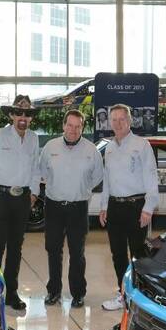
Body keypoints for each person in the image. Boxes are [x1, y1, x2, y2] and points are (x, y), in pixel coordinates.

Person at [0, 95, 41, 311]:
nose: (23, 117)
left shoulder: (33, 139)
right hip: (1, 198)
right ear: (12, 115)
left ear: (31, 118)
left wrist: (34, 193)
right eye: (19, 113)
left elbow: (35, 168)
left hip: (22, 199)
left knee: (16, 248)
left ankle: (11, 293)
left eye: (27, 114)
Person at [39, 109, 103, 309]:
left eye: (78, 126)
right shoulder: (50, 147)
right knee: (53, 250)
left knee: (77, 253)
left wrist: (81, 189)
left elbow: (97, 176)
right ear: (63, 125)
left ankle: (78, 293)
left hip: (78, 208)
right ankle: (54, 291)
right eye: (70, 125)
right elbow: (43, 172)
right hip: (54, 206)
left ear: (82, 127)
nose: (73, 130)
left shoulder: (91, 150)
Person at [99, 104, 159, 311]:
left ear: (130, 120)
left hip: (137, 207)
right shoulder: (109, 148)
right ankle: (123, 293)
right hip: (114, 207)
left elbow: (151, 177)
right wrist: (103, 206)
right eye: (113, 120)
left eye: (121, 119)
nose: (117, 123)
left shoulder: (142, 145)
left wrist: (148, 208)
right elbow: (107, 179)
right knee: (117, 254)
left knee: (138, 254)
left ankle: (140, 295)